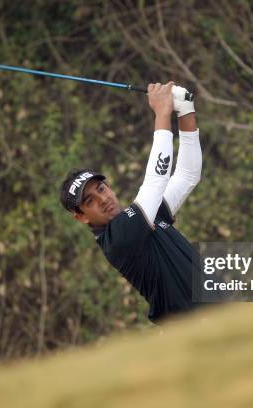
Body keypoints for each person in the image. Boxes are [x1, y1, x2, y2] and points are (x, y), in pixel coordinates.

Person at [59, 81, 202, 323]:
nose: (103, 199)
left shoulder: (146, 215)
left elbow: (188, 175)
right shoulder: (117, 239)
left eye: (102, 189)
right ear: (81, 216)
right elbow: (156, 179)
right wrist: (162, 113)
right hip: (192, 331)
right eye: (90, 201)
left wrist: (185, 108)